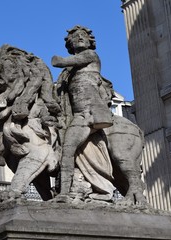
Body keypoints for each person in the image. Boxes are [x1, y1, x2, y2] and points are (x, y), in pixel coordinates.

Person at [52, 25, 115, 197]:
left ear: (90, 42)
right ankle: (66, 190)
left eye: (83, 36)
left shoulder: (90, 55)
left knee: (68, 148)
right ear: (70, 43)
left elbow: (60, 62)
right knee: (67, 148)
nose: (79, 37)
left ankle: (64, 192)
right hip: (79, 114)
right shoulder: (70, 73)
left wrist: (55, 60)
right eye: (75, 36)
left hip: (90, 112)